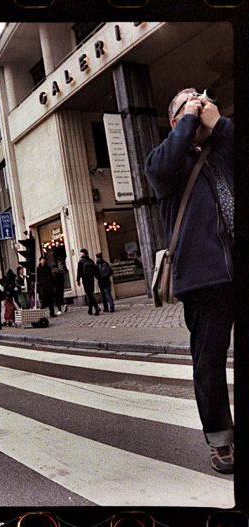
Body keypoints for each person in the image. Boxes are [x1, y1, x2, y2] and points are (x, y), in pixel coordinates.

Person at [145, 87, 234, 474]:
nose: (200, 105)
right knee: (209, 363)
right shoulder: (169, 164)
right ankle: (221, 441)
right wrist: (188, 119)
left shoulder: (223, 152)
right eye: (189, 103)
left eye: (204, 99)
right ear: (175, 120)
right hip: (205, 280)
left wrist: (219, 123)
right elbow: (160, 168)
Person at [76, 248, 100, 316]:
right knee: (90, 294)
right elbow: (95, 270)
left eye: (81, 253)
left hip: (85, 279)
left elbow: (79, 272)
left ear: (83, 253)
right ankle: (90, 310)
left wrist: (78, 280)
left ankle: (96, 307)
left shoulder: (81, 262)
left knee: (89, 294)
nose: (80, 254)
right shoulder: (91, 260)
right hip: (91, 279)